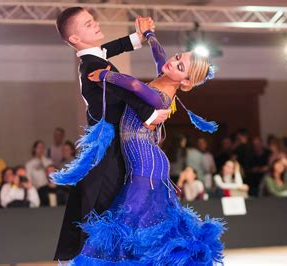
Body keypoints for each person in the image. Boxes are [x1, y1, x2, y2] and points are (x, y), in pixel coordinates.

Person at [53, 21, 224, 264]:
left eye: (180, 65)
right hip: (145, 161)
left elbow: (132, 85)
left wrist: (106, 75)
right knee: (138, 227)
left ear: (185, 82)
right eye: (177, 57)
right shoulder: (165, 77)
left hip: (146, 164)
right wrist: (150, 36)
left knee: (137, 226)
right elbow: (160, 55)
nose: (172, 62)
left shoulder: (160, 96)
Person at [53, 7, 170, 261]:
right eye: (87, 24)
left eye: (92, 19)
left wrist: (137, 38)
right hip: (109, 146)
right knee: (101, 202)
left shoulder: (95, 56)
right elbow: (121, 91)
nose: (95, 24)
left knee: (109, 201)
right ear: (75, 39)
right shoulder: (91, 67)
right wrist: (148, 114)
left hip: (115, 140)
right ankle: (86, 255)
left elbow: (111, 48)